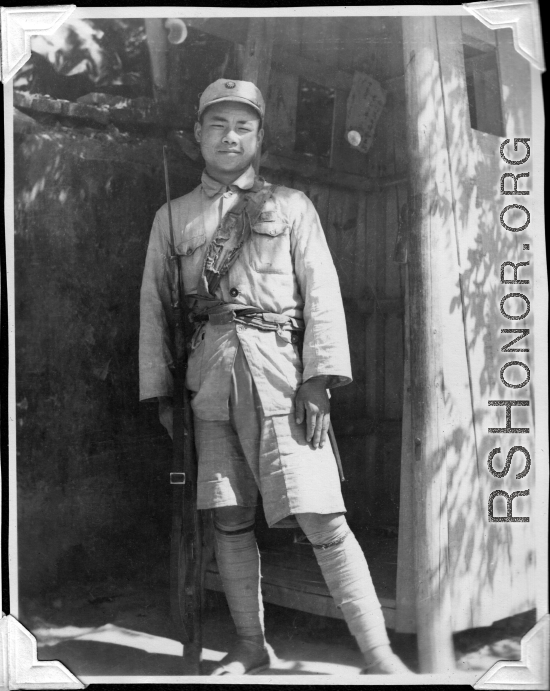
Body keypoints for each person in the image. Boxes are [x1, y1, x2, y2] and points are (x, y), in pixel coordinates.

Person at [139, 79, 409, 675]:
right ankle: (251, 645)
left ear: (260, 137)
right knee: (229, 518)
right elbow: (156, 310)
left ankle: (378, 654)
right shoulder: (173, 216)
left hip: (284, 375)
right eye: (217, 125)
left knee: (322, 515)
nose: (229, 136)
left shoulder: (290, 206)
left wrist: (320, 379)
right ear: (197, 135)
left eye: (242, 126)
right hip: (209, 380)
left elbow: (323, 292)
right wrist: (162, 394)